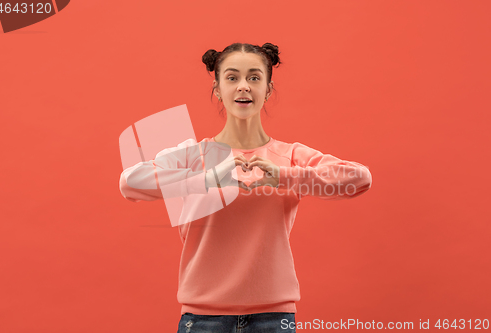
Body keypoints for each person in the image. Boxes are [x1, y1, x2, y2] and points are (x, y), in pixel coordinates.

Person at [119, 42, 373, 333]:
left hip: (273, 319)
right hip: (202, 320)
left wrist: (285, 176)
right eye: (232, 77)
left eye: (254, 77)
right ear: (217, 89)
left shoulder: (289, 156)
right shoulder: (194, 156)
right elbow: (130, 183)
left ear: (268, 89)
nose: (243, 86)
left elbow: (359, 179)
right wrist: (208, 178)